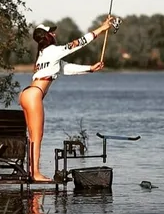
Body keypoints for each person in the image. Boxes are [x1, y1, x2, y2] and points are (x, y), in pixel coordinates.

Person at [19, 16, 114, 182]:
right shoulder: (53, 51)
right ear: (48, 36)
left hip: (27, 94)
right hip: (34, 95)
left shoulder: (44, 54)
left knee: (32, 136)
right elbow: (79, 42)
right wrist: (102, 28)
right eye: (52, 33)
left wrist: (90, 69)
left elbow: (66, 69)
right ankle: (35, 174)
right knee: (37, 136)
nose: (55, 35)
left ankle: (32, 171)